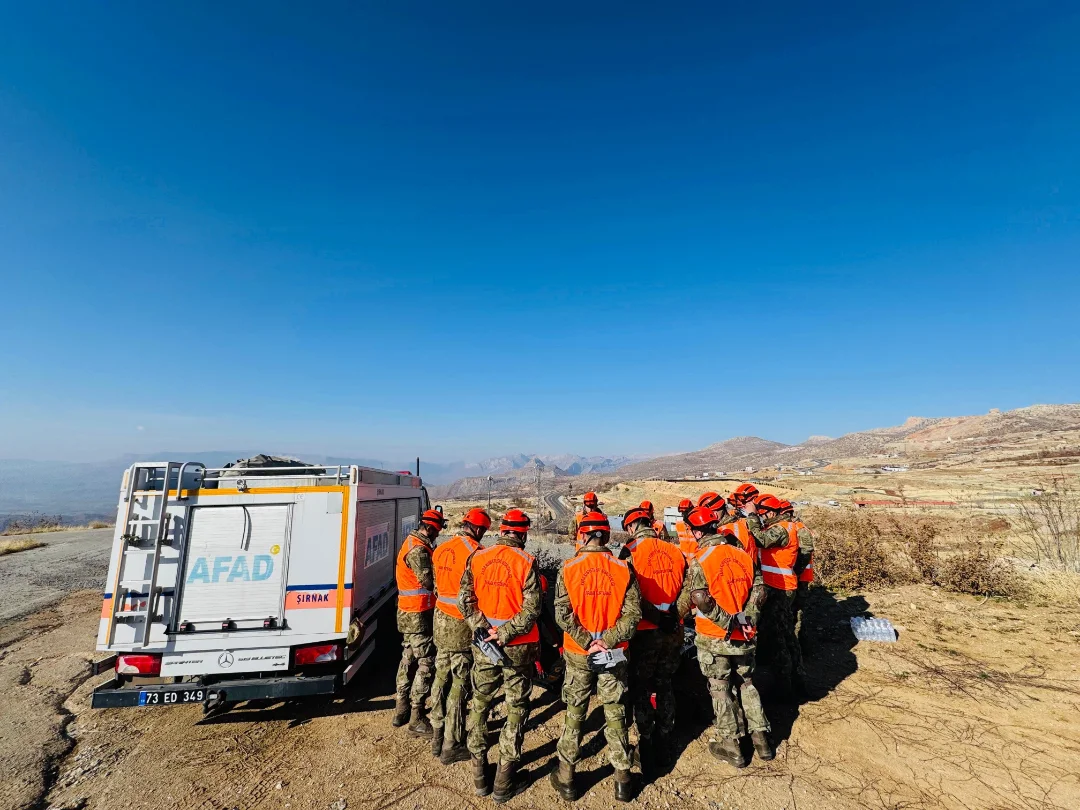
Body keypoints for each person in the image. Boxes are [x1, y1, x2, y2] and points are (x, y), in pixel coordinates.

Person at [550, 512, 642, 803]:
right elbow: (633, 615)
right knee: (615, 713)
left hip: (579, 653)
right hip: (613, 654)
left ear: (584, 535)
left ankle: (567, 777)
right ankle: (623, 781)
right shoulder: (624, 568)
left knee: (575, 711)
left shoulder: (569, 568)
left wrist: (588, 642)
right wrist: (607, 641)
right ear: (605, 536)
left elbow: (562, 615)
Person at [458, 509, 542, 803]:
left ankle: (480, 775)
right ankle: (504, 781)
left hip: (483, 647)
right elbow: (532, 610)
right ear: (523, 534)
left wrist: (482, 628)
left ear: (502, 531)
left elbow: (464, 599)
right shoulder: (527, 562)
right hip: (518, 649)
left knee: (480, 704)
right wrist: (504, 633)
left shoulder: (478, 557)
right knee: (516, 708)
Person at [684, 505, 773, 767]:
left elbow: (700, 598)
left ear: (698, 531)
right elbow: (760, 591)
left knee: (720, 688)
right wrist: (746, 620)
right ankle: (762, 740)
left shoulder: (701, 559)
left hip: (715, 637)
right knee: (747, 682)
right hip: (745, 633)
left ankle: (731, 745)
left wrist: (727, 624)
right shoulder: (742, 555)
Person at [618, 506, 691, 775]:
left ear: (630, 528)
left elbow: (630, 597)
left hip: (645, 632)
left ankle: (646, 745)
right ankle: (665, 738)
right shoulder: (675, 551)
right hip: (674, 631)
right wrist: (674, 614)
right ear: (651, 523)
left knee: (642, 687)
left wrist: (658, 617)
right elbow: (689, 588)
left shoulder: (631, 553)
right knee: (665, 684)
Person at [430, 507, 491, 764]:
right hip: (460, 624)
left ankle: (436, 735)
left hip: (439, 619)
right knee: (459, 682)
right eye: (483, 531)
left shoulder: (442, 548)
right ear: (477, 529)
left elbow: (435, 584)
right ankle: (451, 744)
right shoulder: (475, 553)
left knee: (440, 674)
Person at [393, 507, 447, 735]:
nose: (437, 535)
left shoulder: (411, 542)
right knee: (426, 663)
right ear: (431, 528)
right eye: (437, 530)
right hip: (418, 614)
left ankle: (401, 709)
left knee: (408, 657)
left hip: (407, 612)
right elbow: (428, 582)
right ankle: (416, 716)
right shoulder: (419, 550)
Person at [754, 495, 811, 698]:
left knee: (780, 638)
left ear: (769, 512)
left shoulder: (781, 528)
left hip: (780, 588)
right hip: (780, 586)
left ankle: (785, 686)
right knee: (786, 634)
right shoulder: (782, 526)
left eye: (761, 514)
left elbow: (759, 540)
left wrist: (751, 517)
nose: (760, 518)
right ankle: (797, 679)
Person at [779, 500, 815, 652]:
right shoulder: (795, 527)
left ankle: (800, 648)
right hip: (798, 577)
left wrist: (795, 571)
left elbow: (805, 554)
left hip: (801, 578)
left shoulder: (799, 529)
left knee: (797, 614)